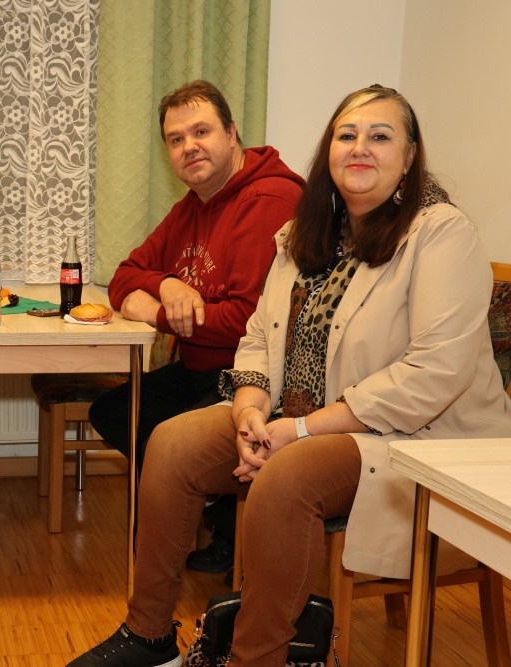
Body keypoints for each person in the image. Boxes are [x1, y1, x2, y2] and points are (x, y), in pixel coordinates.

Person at [68, 84, 511, 667]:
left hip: (409, 435)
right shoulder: (307, 234)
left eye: (380, 136)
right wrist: (250, 409)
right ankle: (148, 636)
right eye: (346, 135)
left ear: (408, 157)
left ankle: (256, 658)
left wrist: (300, 431)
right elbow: (258, 335)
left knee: (285, 477)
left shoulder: (440, 234)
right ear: (329, 152)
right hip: (298, 417)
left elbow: (433, 373)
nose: (360, 147)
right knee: (171, 442)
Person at [88, 80, 304, 578]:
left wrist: (159, 315)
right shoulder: (193, 204)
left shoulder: (269, 198)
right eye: (176, 139)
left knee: (165, 439)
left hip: (253, 379)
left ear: (232, 133)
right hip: (201, 367)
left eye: (201, 132)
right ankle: (216, 511)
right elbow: (124, 276)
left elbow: (243, 322)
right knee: (115, 413)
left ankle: (216, 521)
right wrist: (165, 284)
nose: (189, 146)